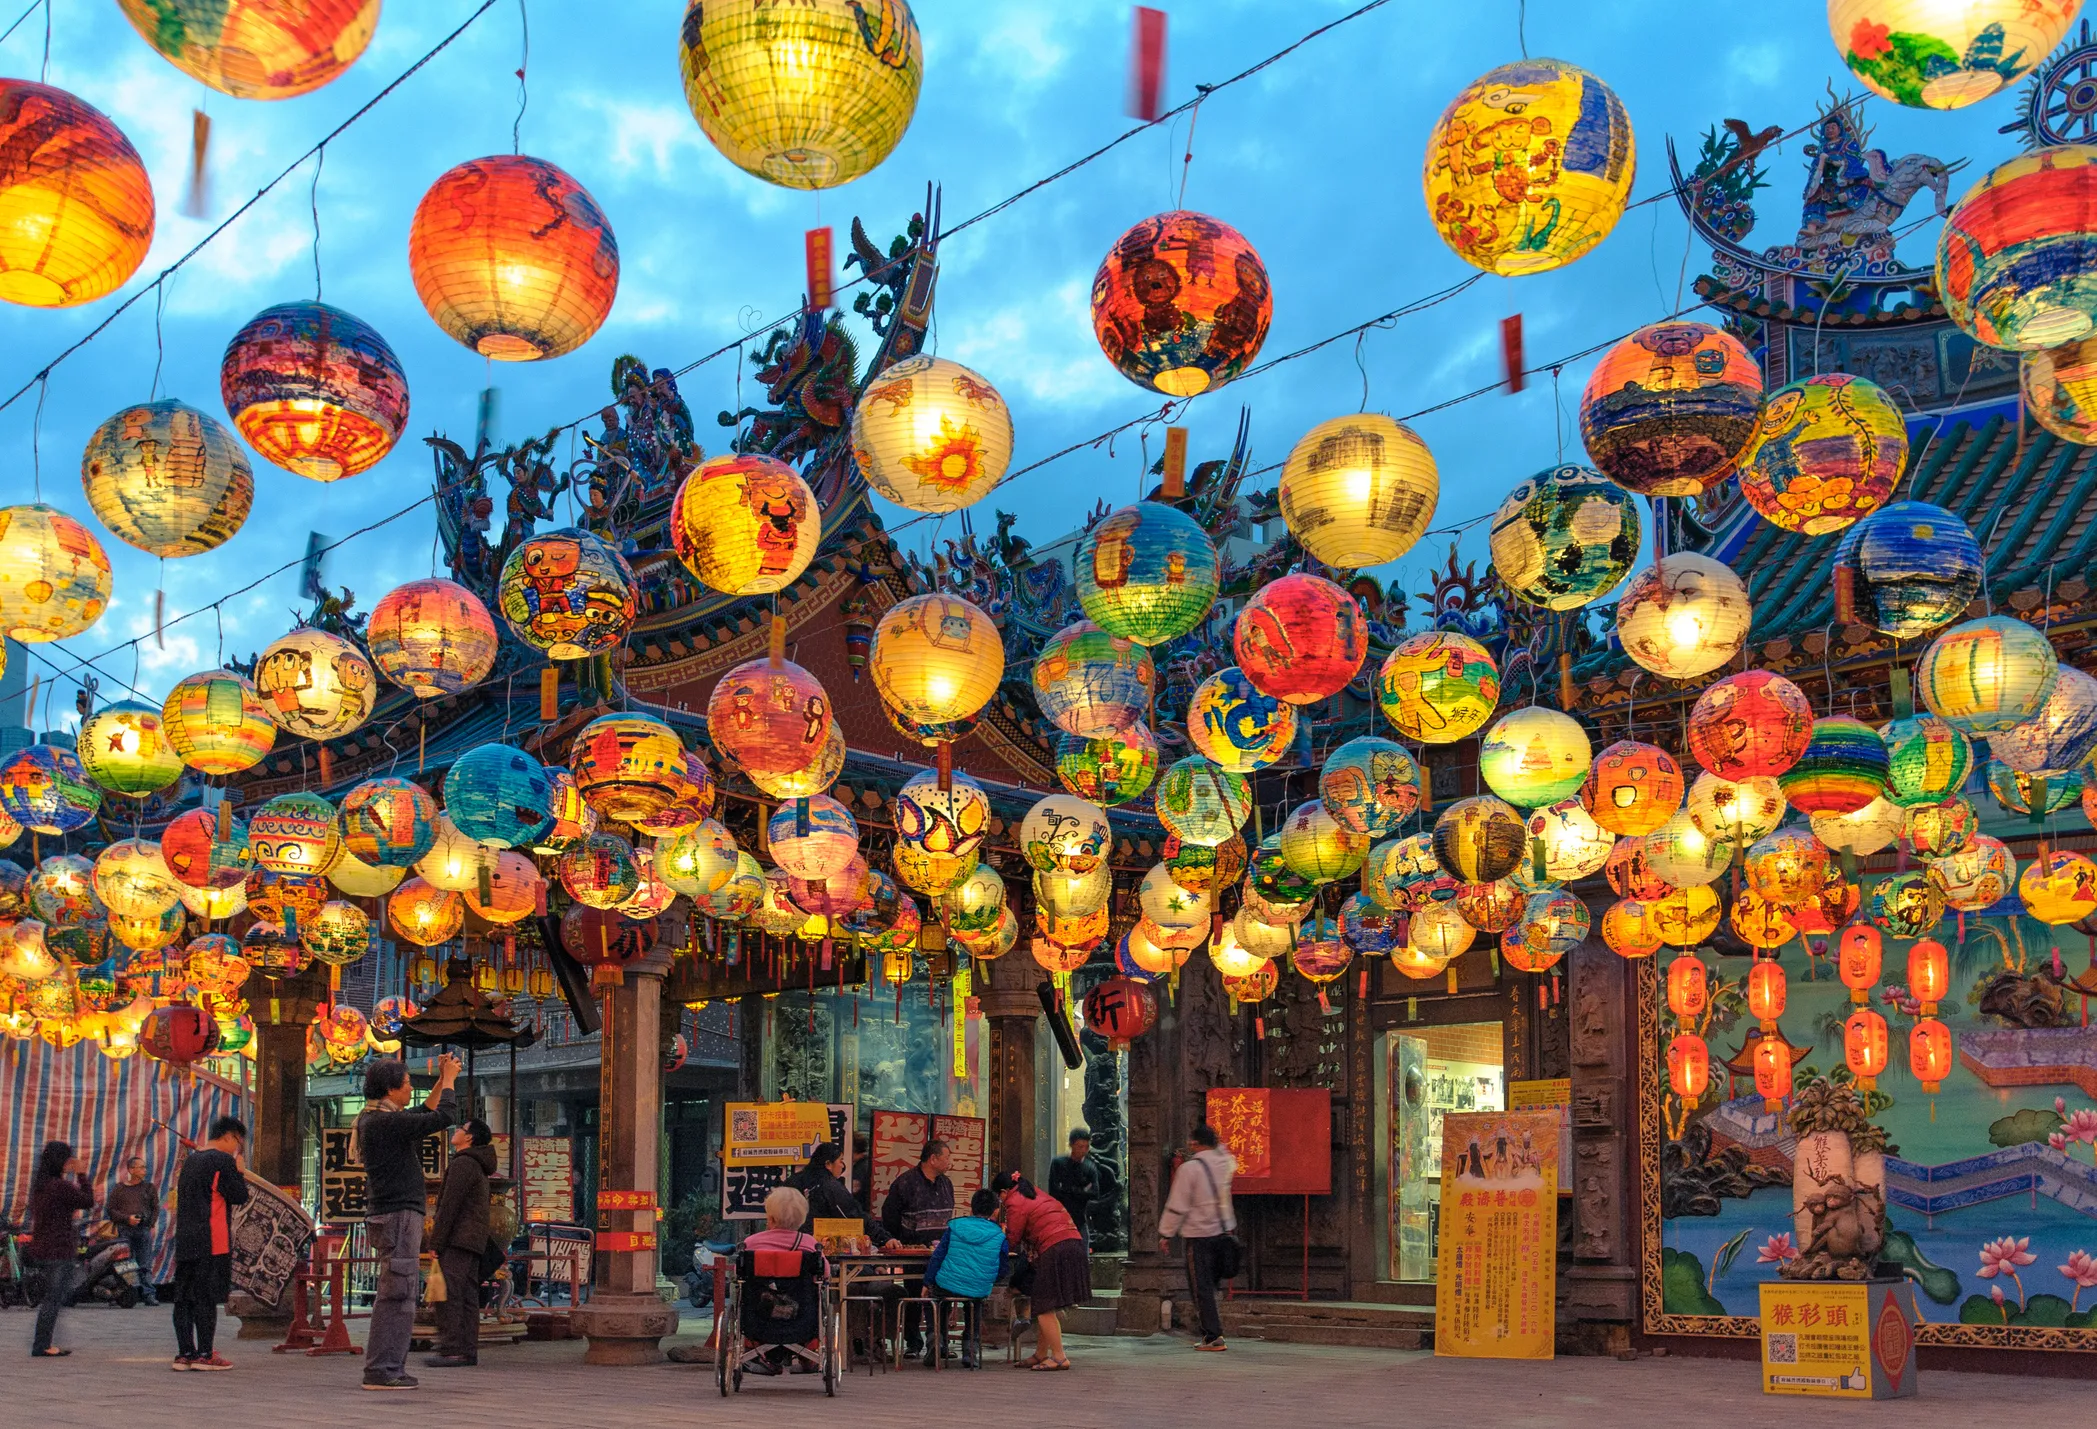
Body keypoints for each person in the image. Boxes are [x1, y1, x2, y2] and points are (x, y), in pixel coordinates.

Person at [355, 1053, 460, 1391]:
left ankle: (388, 1367)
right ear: (391, 1089)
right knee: (398, 1294)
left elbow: (424, 1112)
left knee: (397, 1291)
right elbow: (443, 1115)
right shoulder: (385, 1123)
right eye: (407, 1084)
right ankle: (382, 1369)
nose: (410, 1089)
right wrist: (452, 1081)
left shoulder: (378, 1118)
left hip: (391, 1213)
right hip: (399, 1214)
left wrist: (442, 1078)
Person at [169, 1116, 250, 1372]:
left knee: (183, 1297)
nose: (237, 1147)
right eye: (238, 1141)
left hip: (185, 1237)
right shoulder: (222, 1161)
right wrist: (239, 1170)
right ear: (228, 1136)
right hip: (211, 1238)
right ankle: (205, 1353)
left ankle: (185, 1353)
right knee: (205, 1298)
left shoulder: (191, 1160)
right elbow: (239, 1195)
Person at [995, 1171, 1087, 1371]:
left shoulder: (1015, 1202)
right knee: (1047, 1303)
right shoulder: (1035, 1193)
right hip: (1072, 1243)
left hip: (1055, 1248)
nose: (1000, 1201)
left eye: (999, 1197)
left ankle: (1059, 1357)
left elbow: (1013, 1237)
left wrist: (997, 1238)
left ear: (1004, 1192)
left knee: (1043, 1304)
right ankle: (1041, 1353)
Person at [1158, 1123, 1236, 1353]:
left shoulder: (1190, 1169)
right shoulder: (1225, 1162)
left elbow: (1178, 1204)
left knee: (1200, 1288)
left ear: (1195, 1143)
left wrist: (1166, 1233)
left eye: (1192, 1142)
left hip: (1199, 1236)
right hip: (1223, 1234)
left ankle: (1213, 1336)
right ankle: (1212, 1332)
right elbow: (1226, 1154)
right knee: (1210, 1286)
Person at [425, 1118, 495, 1370]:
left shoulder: (464, 1163)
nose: (456, 1131)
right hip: (471, 1240)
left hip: (458, 1239)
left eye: (461, 1129)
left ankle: (453, 1349)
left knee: (449, 1294)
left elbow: (448, 1207)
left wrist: (436, 1241)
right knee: (465, 1295)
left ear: (470, 1138)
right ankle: (465, 1349)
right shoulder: (476, 1165)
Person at [879, 1139, 954, 1359]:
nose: (950, 1162)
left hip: (940, 1252)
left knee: (942, 1294)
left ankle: (940, 1342)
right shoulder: (905, 1183)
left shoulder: (946, 1184)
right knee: (913, 1294)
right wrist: (897, 1240)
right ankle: (913, 1342)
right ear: (933, 1159)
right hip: (913, 1250)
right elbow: (890, 1215)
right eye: (947, 1157)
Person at [740, 1186, 826, 1375]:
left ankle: (758, 1354)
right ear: (802, 1219)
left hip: (759, 1317)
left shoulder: (751, 1244)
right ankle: (808, 1354)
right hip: (801, 1317)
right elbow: (825, 1273)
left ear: (769, 1218)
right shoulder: (810, 1244)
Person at [922, 1188, 1007, 1369]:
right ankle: (970, 1351)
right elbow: (1003, 1267)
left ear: (971, 1208)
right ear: (996, 1211)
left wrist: (927, 1281)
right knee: (974, 1305)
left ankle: (936, 1341)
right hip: (978, 1287)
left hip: (946, 1282)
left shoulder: (955, 1227)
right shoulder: (999, 1235)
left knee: (935, 1300)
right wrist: (988, 1279)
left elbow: (938, 1256)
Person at [28, 1140, 93, 1358]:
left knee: (53, 1297)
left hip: (42, 1246)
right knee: (54, 1298)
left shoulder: (40, 1185)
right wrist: (82, 1175)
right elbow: (87, 1201)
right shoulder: (60, 1186)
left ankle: (43, 1342)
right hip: (59, 1248)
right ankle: (42, 1345)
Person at [786, 1142, 876, 1240]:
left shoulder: (792, 1180)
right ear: (828, 1164)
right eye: (840, 1160)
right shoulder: (830, 1186)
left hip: (790, 1242)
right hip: (818, 1245)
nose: (842, 1166)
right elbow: (854, 1215)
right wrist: (884, 1238)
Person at [107, 1154, 162, 1307]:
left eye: (144, 1167)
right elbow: (111, 1210)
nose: (144, 1170)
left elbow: (155, 1208)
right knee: (125, 1264)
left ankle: (148, 1294)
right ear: (131, 1169)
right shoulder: (119, 1188)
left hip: (143, 1230)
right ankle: (125, 1294)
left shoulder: (149, 1188)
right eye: (141, 1167)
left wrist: (149, 1224)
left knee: (144, 1264)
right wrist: (127, 1219)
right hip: (125, 1230)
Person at [1048, 1130, 1102, 1248]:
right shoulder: (1059, 1163)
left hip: (1080, 1218)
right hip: (1061, 1218)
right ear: (1071, 1145)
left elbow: (1095, 1193)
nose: (1084, 1150)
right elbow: (1054, 1192)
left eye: (1086, 1147)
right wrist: (1082, 1191)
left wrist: (1069, 1190)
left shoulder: (1089, 1167)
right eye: (1080, 1146)